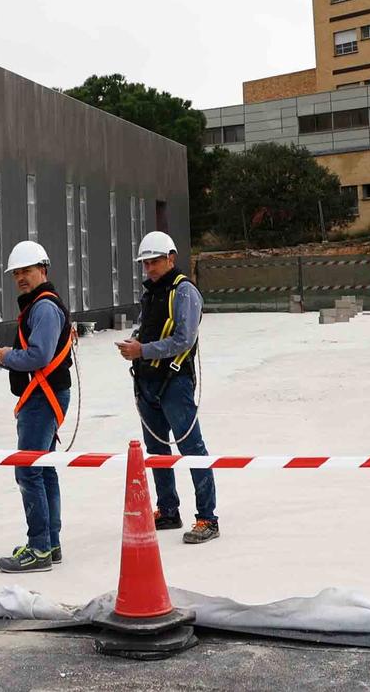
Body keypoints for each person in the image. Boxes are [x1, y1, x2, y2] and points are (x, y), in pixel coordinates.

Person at [0, 240, 75, 573]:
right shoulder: (40, 305)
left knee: (28, 470)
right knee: (42, 469)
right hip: (45, 394)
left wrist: (5, 356)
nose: (21, 278)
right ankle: (50, 543)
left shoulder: (43, 307)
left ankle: (40, 548)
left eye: (26, 271)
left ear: (42, 270)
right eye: (16, 273)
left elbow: (39, 356)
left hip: (43, 398)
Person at [116, 230, 218, 544]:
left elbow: (183, 339)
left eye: (155, 261)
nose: (150, 268)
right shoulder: (152, 292)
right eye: (146, 263)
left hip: (175, 382)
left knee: (192, 449)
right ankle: (168, 510)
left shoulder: (184, 291)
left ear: (170, 259)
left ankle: (207, 518)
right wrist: (136, 341)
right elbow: (147, 325)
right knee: (157, 450)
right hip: (147, 381)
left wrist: (142, 350)